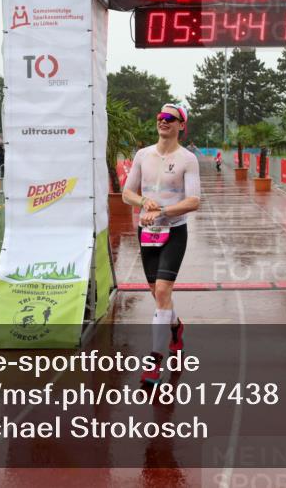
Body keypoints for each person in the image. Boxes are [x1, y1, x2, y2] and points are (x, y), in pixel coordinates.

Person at [122, 103, 201, 385]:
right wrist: (144, 202)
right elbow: (126, 193)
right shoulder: (143, 155)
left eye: (170, 118)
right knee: (158, 294)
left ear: (181, 125)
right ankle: (176, 328)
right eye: (160, 117)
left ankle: (154, 360)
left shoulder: (187, 159)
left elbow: (193, 201)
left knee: (164, 289)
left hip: (174, 232)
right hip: (147, 233)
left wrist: (164, 211)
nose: (163, 121)